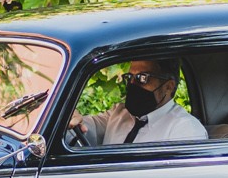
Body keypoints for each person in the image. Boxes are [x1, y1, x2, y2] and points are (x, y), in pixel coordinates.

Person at [68, 58, 207, 145]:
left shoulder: (185, 130)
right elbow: (84, 127)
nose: (133, 84)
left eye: (142, 78)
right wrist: (71, 118)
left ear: (168, 86)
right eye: (130, 77)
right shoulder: (118, 113)